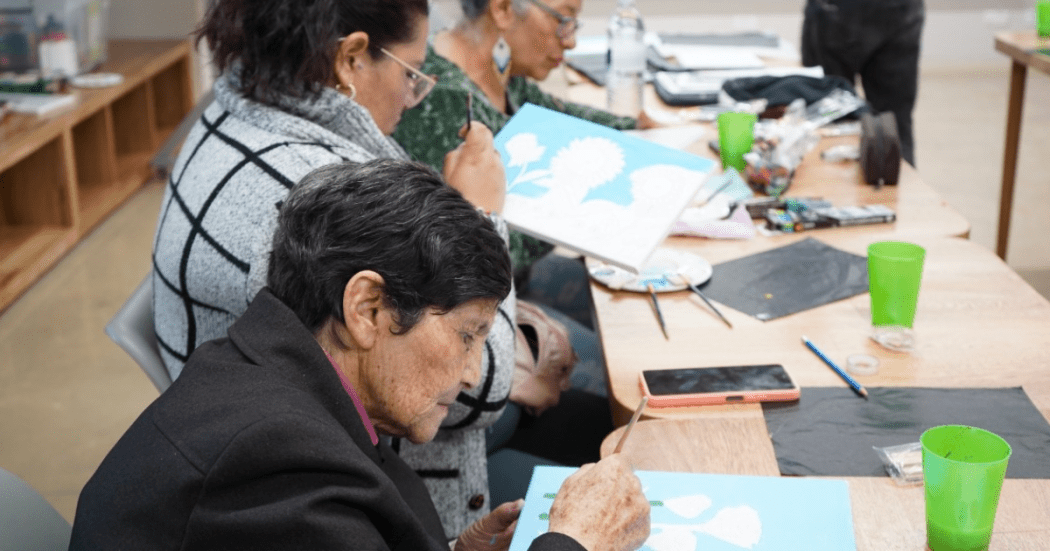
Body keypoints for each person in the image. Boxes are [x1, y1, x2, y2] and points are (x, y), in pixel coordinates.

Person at [71, 159, 651, 551]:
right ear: (368, 308)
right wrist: (574, 542)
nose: (474, 371)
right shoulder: (271, 467)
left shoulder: (267, 373)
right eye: (468, 335)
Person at [150, 0, 526, 537]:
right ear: (350, 57)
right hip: (356, 492)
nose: (413, 98)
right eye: (411, 74)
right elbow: (481, 389)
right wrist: (481, 216)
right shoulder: (308, 195)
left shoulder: (232, 113)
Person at [394, 0, 653, 275]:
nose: (571, 42)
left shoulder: (498, 70)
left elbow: (555, 114)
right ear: (502, 9)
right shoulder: (444, 101)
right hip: (495, 292)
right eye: (563, 21)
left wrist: (635, 126)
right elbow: (499, 254)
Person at [801, 0, 924, 166]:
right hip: (900, 9)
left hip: (838, 10)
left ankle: (832, 185)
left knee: (829, 113)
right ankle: (899, 182)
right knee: (892, 124)